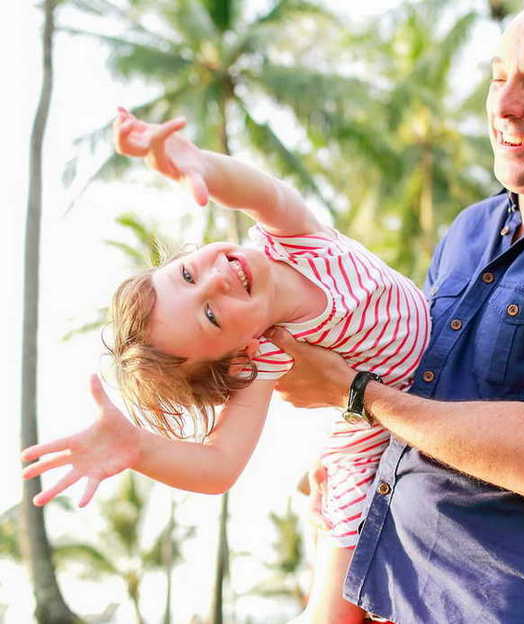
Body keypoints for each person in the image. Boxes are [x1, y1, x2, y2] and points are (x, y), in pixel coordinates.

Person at [265, 0, 524, 621]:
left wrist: (354, 392)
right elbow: (417, 386)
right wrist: (348, 458)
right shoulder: (470, 229)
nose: (506, 105)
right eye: (498, 77)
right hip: (372, 587)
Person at [21, 109, 430, 623]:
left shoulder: (290, 241)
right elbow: (220, 466)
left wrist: (197, 164)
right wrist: (138, 447)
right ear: (239, 355)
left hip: (415, 382)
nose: (216, 281)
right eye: (211, 316)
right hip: (368, 449)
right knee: (332, 614)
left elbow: (265, 192)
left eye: (188, 273)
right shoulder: (268, 352)